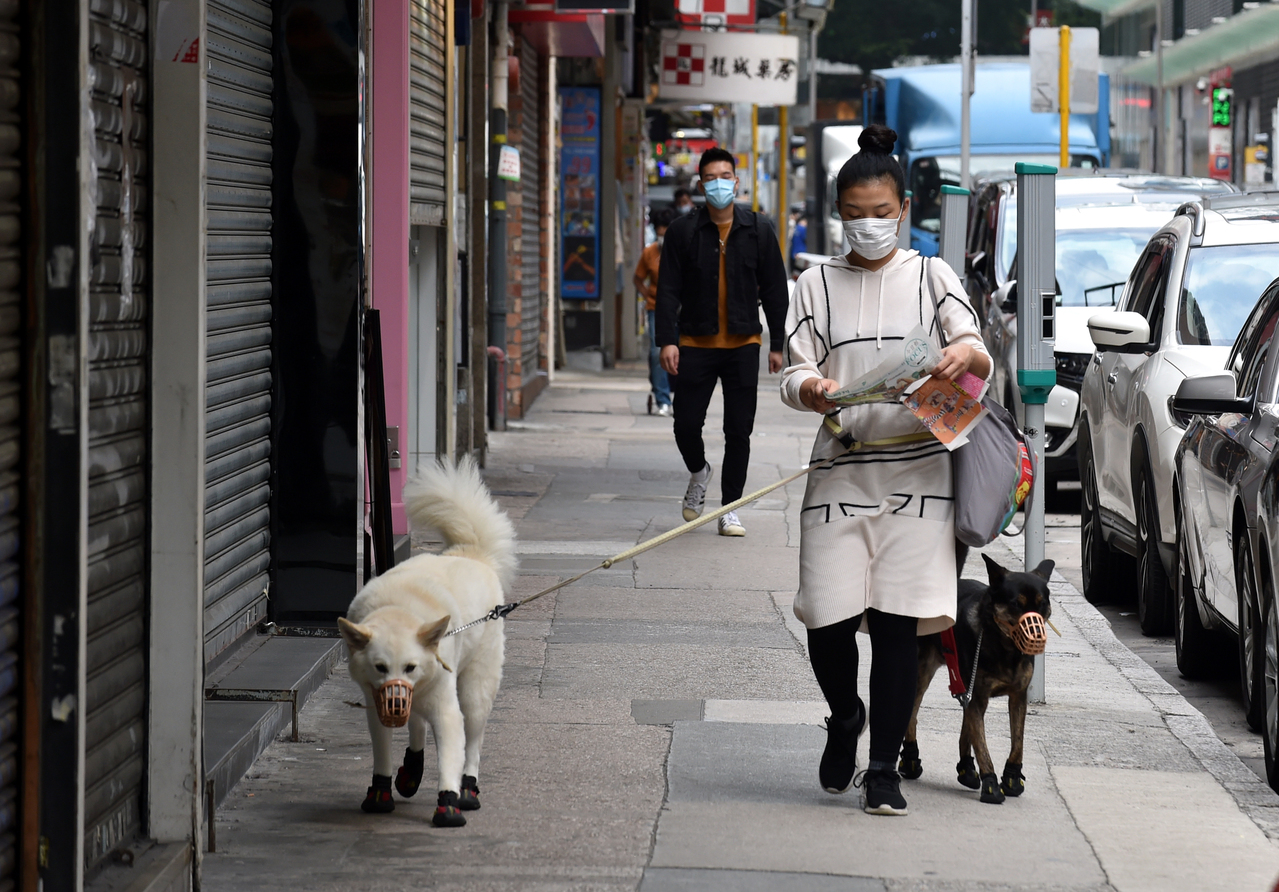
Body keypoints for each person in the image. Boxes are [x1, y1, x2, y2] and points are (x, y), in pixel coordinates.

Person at [779, 124, 991, 815]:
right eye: (854, 212)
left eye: (880, 212)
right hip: (841, 466)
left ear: (903, 210)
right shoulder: (814, 282)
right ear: (837, 212)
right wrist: (811, 390)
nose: (867, 225)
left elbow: (973, 346)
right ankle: (845, 714)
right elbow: (793, 370)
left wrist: (962, 357)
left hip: (921, 472)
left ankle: (882, 770)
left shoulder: (932, 276)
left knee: (901, 622)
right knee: (827, 617)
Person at [656, 147, 789, 538]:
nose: (719, 183)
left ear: (736, 181)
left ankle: (731, 508)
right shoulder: (683, 232)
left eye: (725, 176)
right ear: (701, 185)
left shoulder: (759, 229)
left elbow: (776, 290)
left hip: (743, 344)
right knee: (684, 424)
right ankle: (699, 472)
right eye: (711, 177)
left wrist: (777, 344)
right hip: (695, 343)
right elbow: (667, 291)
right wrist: (667, 340)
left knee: (738, 431)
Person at [634, 208, 675, 416]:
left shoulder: (682, 251)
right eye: (659, 232)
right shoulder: (649, 253)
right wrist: (648, 296)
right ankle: (662, 398)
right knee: (657, 352)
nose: (662, 236)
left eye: (666, 231)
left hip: (680, 309)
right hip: (656, 308)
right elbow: (638, 278)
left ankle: (680, 396)